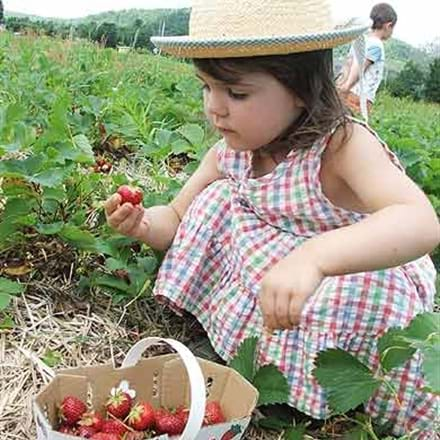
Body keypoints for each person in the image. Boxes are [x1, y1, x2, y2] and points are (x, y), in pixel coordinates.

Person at [104, 0, 439, 437]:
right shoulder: (230, 152)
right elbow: (177, 216)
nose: (214, 108)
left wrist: (315, 258)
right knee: (215, 199)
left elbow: (419, 221)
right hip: (271, 277)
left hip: (337, 276)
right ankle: (246, 348)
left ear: (301, 87)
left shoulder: (341, 145)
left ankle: (333, 390)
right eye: (207, 88)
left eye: (236, 93)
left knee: (371, 289)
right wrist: (144, 224)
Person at [338, 3, 398, 115]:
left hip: (349, 93)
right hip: (360, 98)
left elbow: (348, 63)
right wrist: (346, 87)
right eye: (392, 28)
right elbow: (360, 66)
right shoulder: (376, 45)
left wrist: (341, 85)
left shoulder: (360, 40)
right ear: (388, 25)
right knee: (357, 126)